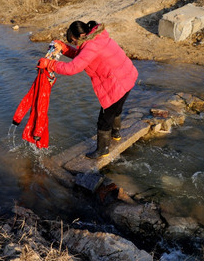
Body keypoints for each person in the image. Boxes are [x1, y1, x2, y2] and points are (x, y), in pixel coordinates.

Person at [37, 20, 138, 159]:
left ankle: (103, 149)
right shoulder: (97, 37)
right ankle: (116, 134)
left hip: (116, 83)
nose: (74, 44)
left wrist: (50, 64)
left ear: (81, 35)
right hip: (127, 76)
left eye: (73, 41)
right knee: (117, 109)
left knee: (104, 119)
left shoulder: (91, 47)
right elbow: (82, 56)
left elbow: (73, 68)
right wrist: (64, 48)